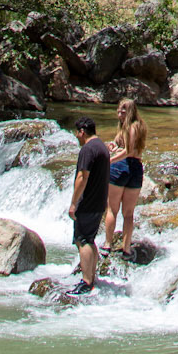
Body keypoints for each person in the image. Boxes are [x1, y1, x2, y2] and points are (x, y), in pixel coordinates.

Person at [67, 115, 111, 294]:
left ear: (82, 132)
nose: (76, 137)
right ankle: (92, 279)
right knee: (90, 239)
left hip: (87, 202)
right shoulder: (102, 147)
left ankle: (86, 282)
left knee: (82, 240)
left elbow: (82, 177)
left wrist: (73, 203)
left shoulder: (87, 149)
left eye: (77, 133)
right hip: (99, 201)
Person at [104, 98, 148, 253]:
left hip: (121, 167)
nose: (119, 113)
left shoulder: (132, 127)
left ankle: (107, 244)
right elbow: (127, 147)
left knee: (112, 210)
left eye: (123, 111)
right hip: (136, 169)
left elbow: (128, 151)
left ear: (130, 111)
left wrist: (110, 160)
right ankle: (126, 248)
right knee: (128, 213)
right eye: (119, 110)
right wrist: (114, 145)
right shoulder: (136, 126)